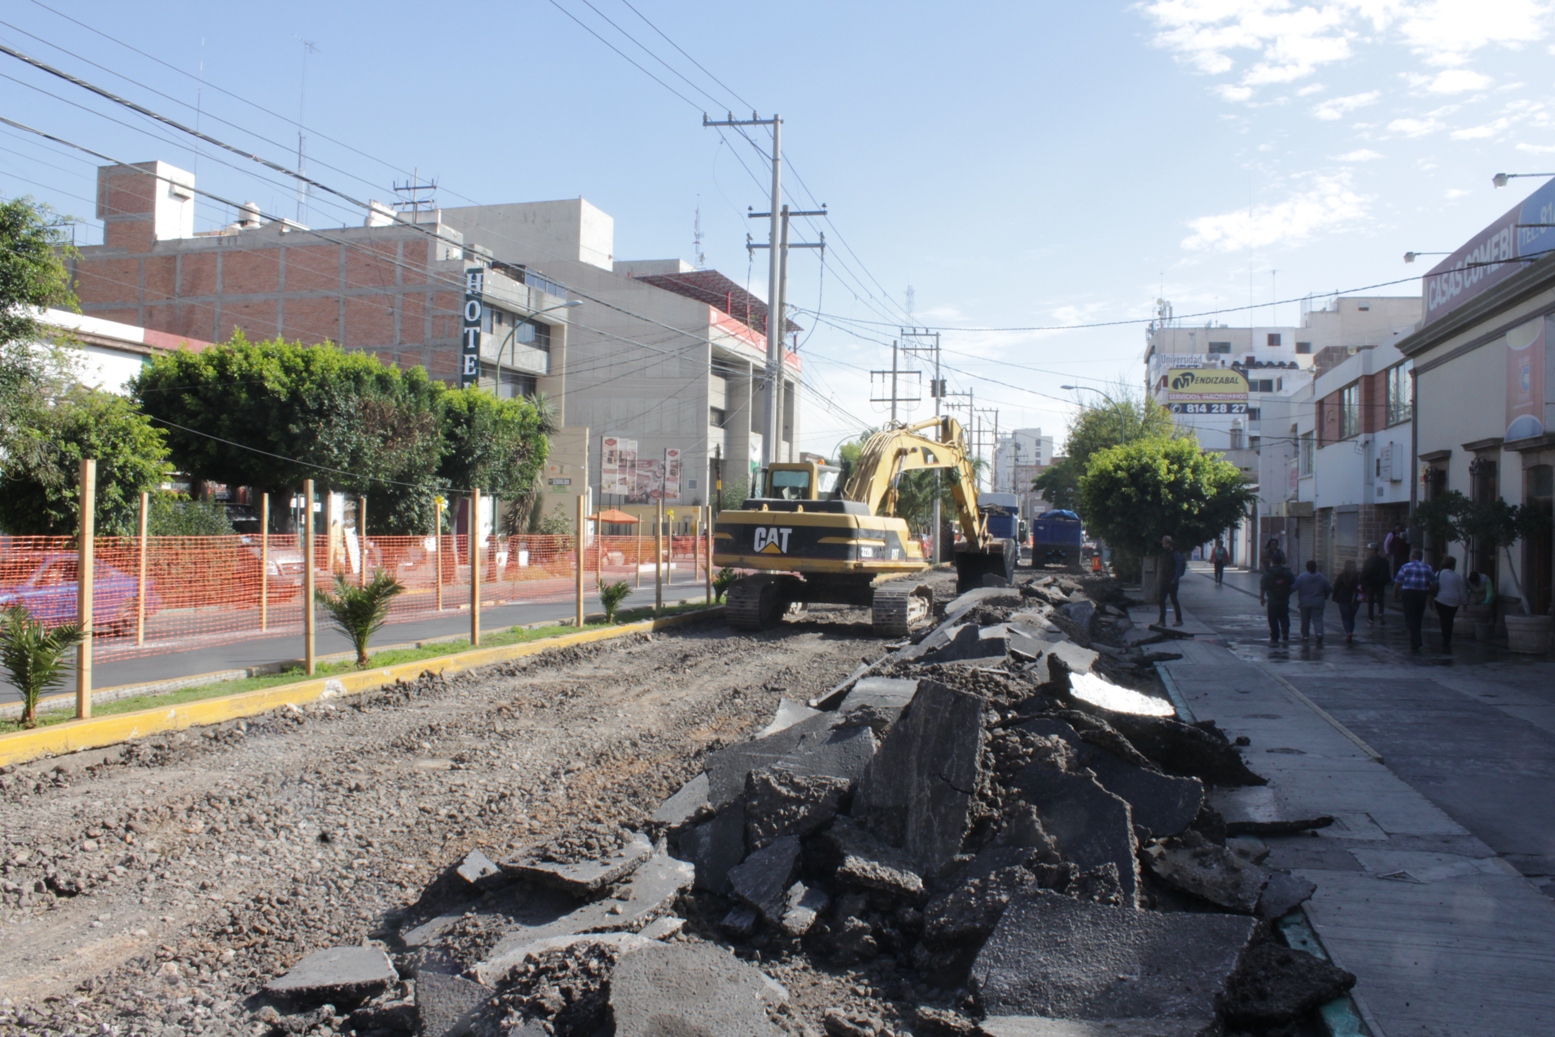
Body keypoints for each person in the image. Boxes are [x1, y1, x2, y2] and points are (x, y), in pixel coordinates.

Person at [1396, 548, 1436, 651]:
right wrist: (1429, 591)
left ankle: (1416, 640)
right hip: (1422, 594)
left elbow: (1398, 582)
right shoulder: (1428, 568)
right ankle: (1415, 641)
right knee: (1418, 617)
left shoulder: (1405, 567)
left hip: (1408, 593)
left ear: (1412, 557)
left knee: (1409, 617)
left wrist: (1395, 593)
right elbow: (1435, 583)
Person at [1433, 555, 1469, 652]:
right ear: (1453, 565)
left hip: (1440, 599)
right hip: (1453, 601)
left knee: (1443, 619)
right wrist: (1465, 602)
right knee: (1450, 619)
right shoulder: (1456, 576)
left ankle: (1445, 638)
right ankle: (1448, 638)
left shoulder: (1438, 573)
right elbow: (1462, 590)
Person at [1293, 559, 1333, 645]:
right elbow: (1328, 588)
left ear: (1306, 567)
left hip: (1304, 602)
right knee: (1318, 619)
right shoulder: (1321, 577)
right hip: (1318, 602)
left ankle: (1305, 635)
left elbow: (1294, 587)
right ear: (1316, 567)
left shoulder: (1302, 577)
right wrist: (1325, 596)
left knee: (1305, 620)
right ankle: (1319, 633)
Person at [1260, 556, 1296, 643]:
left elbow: (1263, 587)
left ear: (1272, 562)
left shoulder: (1268, 572)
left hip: (1272, 600)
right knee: (1284, 616)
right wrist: (1288, 592)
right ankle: (1285, 632)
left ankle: (1275, 635)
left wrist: (1262, 598)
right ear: (1281, 562)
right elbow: (1294, 583)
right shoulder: (1287, 572)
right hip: (1284, 599)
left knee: (1273, 618)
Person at [1157, 535, 1185, 627]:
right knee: (1161, 600)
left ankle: (1179, 620)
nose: (1163, 545)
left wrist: (1174, 579)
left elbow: (1179, 568)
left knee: (1174, 600)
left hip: (1172, 581)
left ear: (1169, 543)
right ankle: (1162, 620)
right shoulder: (1165, 553)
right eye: (1163, 544)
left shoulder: (1176, 553)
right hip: (1164, 580)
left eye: (1165, 543)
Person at [1360, 542, 1390, 625]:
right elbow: (1387, 573)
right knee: (1380, 599)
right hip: (1380, 584)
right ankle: (1380, 613)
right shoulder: (1383, 560)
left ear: (1373, 550)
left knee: (1371, 602)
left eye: (1369, 550)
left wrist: (1363, 585)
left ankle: (1370, 618)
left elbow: (1365, 573)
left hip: (1371, 584)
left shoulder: (1369, 561)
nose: (1368, 552)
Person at [1333, 559, 1361, 643]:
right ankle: (1351, 631)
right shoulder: (1358, 576)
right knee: (1351, 617)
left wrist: (1334, 597)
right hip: (1355, 599)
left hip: (1343, 598)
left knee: (1345, 617)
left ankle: (1348, 632)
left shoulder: (1342, 576)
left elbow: (1336, 588)